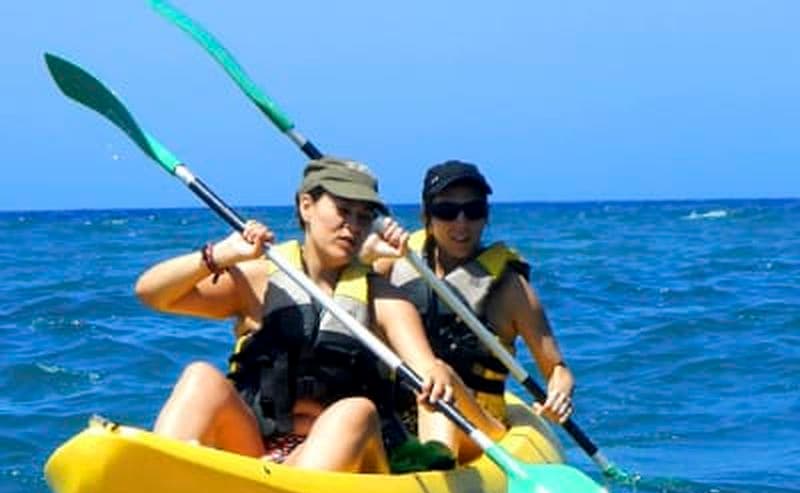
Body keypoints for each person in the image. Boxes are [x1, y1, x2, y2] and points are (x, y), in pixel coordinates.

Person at [135, 157, 504, 473]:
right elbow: (153, 294)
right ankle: (167, 473)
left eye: (363, 216)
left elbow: (424, 365)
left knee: (356, 411)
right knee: (200, 376)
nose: (353, 226)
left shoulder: (383, 297)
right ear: (306, 206)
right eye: (342, 211)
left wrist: (435, 373)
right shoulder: (258, 278)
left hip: (342, 458)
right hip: (256, 447)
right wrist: (221, 255)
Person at [366, 160, 575, 455]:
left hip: (477, 427)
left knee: (440, 378)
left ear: (486, 217)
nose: (461, 223)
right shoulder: (393, 263)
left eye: (473, 211)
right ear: (426, 216)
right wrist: (365, 252)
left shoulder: (510, 289)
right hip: (399, 418)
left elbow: (557, 370)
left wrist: (559, 395)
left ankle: (434, 467)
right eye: (447, 212)